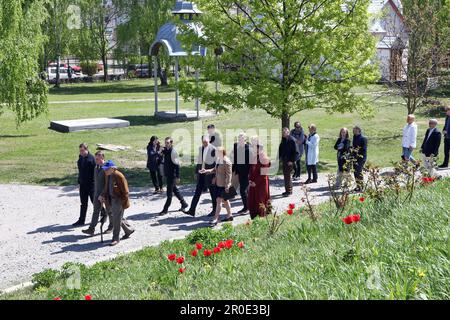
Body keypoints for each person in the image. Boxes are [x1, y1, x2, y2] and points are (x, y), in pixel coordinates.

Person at [99, 160, 134, 246]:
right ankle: (128, 230)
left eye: (107, 169)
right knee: (117, 218)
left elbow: (126, 192)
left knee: (116, 219)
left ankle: (116, 238)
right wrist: (102, 195)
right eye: (104, 169)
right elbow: (106, 187)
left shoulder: (119, 176)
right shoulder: (108, 175)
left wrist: (122, 203)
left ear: (112, 168)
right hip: (111, 199)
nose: (105, 170)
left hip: (118, 200)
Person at [183, 135, 217, 217]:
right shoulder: (201, 148)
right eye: (203, 142)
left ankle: (215, 210)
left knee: (213, 193)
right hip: (201, 174)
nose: (205, 144)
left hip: (210, 174)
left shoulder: (213, 149)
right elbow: (199, 161)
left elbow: (216, 164)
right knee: (197, 192)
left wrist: (215, 176)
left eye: (206, 142)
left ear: (209, 141)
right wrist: (196, 172)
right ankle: (192, 210)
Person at [82, 151, 113, 236]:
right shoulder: (96, 167)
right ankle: (91, 229)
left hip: (105, 194)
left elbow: (107, 183)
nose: (96, 160)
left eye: (98, 159)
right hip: (96, 194)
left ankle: (111, 226)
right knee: (95, 211)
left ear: (103, 158)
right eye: (95, 158)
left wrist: (103, 194)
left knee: (109, 211)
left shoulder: (106, 168)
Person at [201, 147, 232, 226]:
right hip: (218, 184)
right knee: (225, 200)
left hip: (224, 185)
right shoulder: (219, 159)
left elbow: (229, 175)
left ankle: (215, 219)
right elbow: (215, 169)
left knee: (218, 201)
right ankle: (229, 215)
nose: (216, 154)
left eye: (217, 152)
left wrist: (227, 185)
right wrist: (206, 170)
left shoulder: (226, 161)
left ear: (222, 152)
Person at [159, 137, 188, 215]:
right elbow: (160, 156)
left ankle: (165, 209)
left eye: (168, 143)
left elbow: (177, 165)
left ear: (171, 143)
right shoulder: (166, 151)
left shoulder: (173, 152)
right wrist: (161, 151)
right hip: (168, 174)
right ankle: (184, 203)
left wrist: (178, 177)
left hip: (172, 175)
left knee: (169, 194)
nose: (166, 144)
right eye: (165, 143)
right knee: (174, 190)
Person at [248, 136, 271, 219]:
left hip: (261, 184)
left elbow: (264, 173)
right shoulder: (255, 156)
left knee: (260, 202)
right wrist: (250, 180)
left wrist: (255, 182)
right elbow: (251, 169)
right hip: (253, 184)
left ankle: (262, 219)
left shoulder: (264, 157)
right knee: (252, 202)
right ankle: (255, 219)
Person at [73, 143, 96, 227]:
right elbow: (80, 172)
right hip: (82, 185)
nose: (81, 152)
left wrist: (95, 185)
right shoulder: (80, 158)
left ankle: (104, 213)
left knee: (95, 202)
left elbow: (95, 173)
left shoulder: (92, 159)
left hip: (91, 185)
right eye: (80, 150)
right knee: (83, 203)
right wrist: (79, 183)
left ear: (86, 149)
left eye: (82, 150)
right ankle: (81, 220)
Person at [231, 132, 251, 214]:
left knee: (243, 190)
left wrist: (250, 173)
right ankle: (248, 206)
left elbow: (251, 163)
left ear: (245, 139)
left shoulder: (249, 149)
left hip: (246, 173)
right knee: (244, 190)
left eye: (241, 139)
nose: (240, 140)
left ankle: (246, 208)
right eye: (239, 139)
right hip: (239, 172)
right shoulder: (236, 147)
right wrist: (233, 170)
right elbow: (234, 159)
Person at [278, 127, 297, 196]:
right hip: (284, 160)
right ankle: (288, 190)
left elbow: (295, 152)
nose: (282, 133)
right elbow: (281, 149)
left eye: (284, 132)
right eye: (282, 132)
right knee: (286, 176)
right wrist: (279, 158)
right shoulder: (283, 140)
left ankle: (289, 191)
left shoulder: (292, 140)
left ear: (288, 133)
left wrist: (291, 161)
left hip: (289, 161)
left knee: (288, 176)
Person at [352, 126, 368, 192]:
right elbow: (354, 146)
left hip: (361, 157)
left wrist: (357, 151)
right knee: (355, 172)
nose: (355, 132)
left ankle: (361, 186)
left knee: (359, 171)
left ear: (359, 131)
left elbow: (364, 149)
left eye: (356, 130)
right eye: (354, 130)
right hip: (354, 157)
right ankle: (358, 186)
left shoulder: (363, 138)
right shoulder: (354, 137)